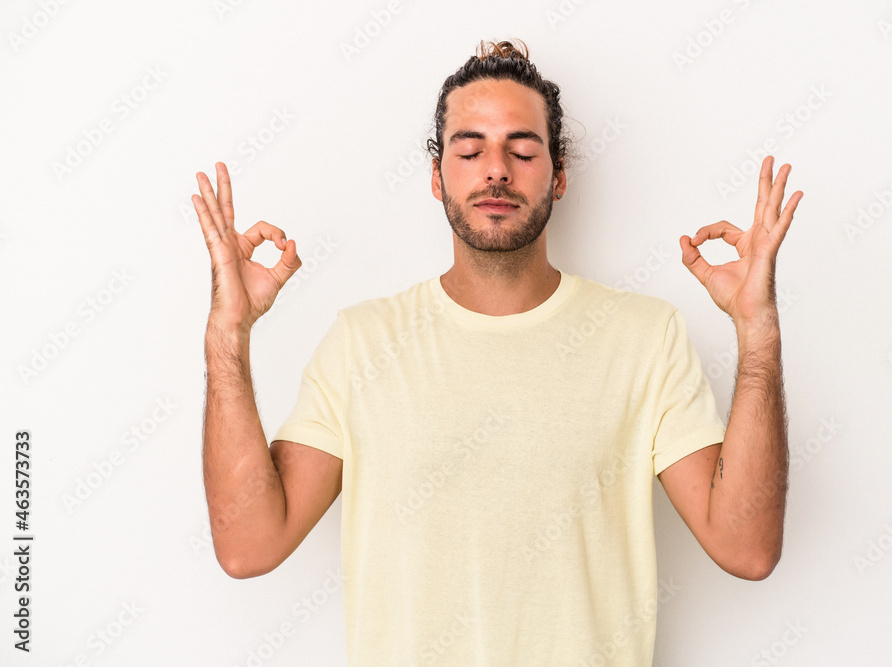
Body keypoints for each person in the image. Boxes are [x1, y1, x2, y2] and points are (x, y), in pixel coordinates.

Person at [193, 38, 802, 666]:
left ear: (558, 174)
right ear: (437, 176)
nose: (496, 170)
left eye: (522, 149)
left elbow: (747, 548)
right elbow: (248, 546)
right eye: (471, 148)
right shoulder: (363, 344)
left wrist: (760, 331)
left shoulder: (645, 338)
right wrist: (227, 334)